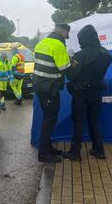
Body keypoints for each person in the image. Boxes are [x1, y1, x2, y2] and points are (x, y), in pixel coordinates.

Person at [63, 25, 112, 161]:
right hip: (96, 92)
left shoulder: (82, 55)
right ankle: (99, 150)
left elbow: (72, 75)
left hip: (81, 93)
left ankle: (75, 152)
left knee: (78, 121)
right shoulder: (106, 54)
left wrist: (70, 62)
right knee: (94, 122)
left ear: (84, 39)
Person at [34, 24, 71, 163]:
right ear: (64, 33)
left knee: (48, 117)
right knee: (50, 119)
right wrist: (73, 63)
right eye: (66, 36)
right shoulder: (58, 45)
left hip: (40, 86)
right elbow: (64, 69)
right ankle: (43, 153)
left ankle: (48, 147)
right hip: (50, 88)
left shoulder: (42, 43)